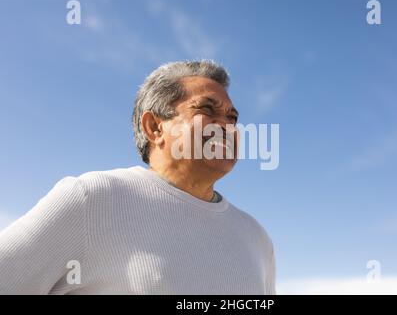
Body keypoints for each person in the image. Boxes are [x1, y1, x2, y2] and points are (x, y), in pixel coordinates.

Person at [0, 60, 276, 294]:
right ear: (154, 127)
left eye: (232, 117)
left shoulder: (256, 236)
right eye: (206, 109)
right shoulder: (92, 198)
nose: (226, 126)